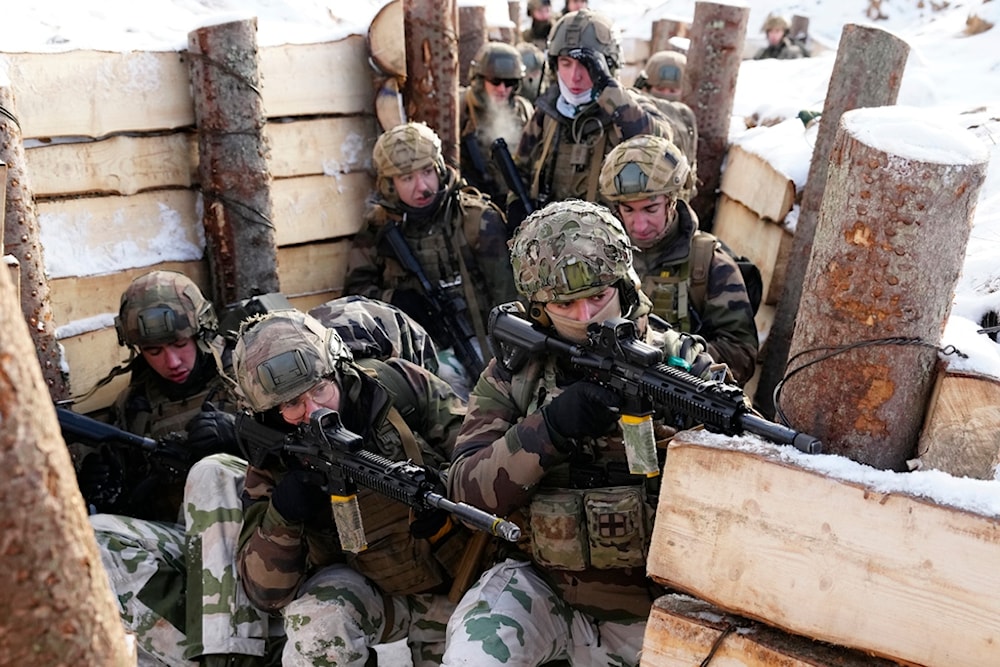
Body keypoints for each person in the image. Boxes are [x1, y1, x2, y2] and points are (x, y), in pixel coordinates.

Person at [441, 199, 719, 666]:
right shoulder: (517, 372)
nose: (586, 315)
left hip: (653, 608)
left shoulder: (681, 365)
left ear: (624, 285)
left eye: (598, 296)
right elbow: (464, 493)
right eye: (565, 304)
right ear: (538, 308)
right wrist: (549, 429)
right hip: (544, 587)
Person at [232, 309, 470, 667]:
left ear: (337, 371)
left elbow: (482, 456)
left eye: (319, 389)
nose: (313, 411)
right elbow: (264, 593)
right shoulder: (274, 456)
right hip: (374, 597)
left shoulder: (395, 388)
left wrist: (449, 490)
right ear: (270, 413)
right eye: (292, 404)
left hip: (459, 582)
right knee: (314, 627)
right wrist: (283, 514)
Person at [77, 270, 272, 667]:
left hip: (262, 539)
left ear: (201, 331)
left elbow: (307, 447)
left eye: (180, 344)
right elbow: (140, 514)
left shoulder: (248, 372)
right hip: (188, 547)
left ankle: (229, 656)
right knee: (94, 538)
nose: (172, 361)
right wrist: (114, 491)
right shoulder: (136, 407)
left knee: (212, 473)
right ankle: (191, 654)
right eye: (153, 351)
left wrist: (240, 435)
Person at [343, 121, 518, 398]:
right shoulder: (379, 227)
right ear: (389, 184)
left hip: (483, 341)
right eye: (407, 178)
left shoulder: (476, 219)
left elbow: (510, 300)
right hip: (414, 349)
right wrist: (396, 301)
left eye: (426, 172)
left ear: (438, 168)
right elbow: (354, 295)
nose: (422, 187)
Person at [598, 134, 759, 385]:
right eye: (628, 210)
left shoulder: (709, 265)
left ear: (672, 202)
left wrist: (678, 355)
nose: (639, 225)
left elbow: (742, 355)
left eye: (650, 209)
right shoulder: (602, 255)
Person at [509, 9, 672, 223]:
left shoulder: (626, 108)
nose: (574, 77)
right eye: (565, 64)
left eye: (586, 65)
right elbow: (520, 170)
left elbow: (662, 145)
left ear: (608, 66)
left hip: (610, 243)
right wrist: (515, 206)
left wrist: (609, 91)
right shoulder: (547, 112)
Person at [459, 41, 534, 205]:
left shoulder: (524, 110)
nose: (502, 89)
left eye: (510, 83)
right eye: (495, 81)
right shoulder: (461, 107)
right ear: (479, 79)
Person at [631, 50, 698, 185]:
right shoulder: (635, 111)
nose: (666, 95)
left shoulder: (686, 116)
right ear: (646, 87)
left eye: (673, 91)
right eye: (660, 89)